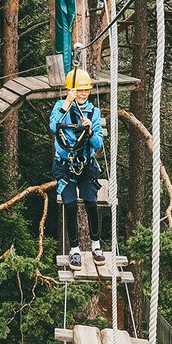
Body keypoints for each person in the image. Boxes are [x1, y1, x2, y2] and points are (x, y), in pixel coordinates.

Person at [50, 68, 105, 271]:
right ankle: (74, 249)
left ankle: (96, 245)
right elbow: (53, 127)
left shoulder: (93, 112)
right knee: (70, 205)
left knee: (91, 203)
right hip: (65, 167)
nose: (83, 94)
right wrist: (66, 104)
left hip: (85, 166)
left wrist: (90, 129)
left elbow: (98, 143)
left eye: (85, 91)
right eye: (79, 91)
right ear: (71, 91)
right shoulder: (60, 108)